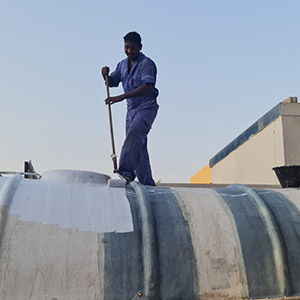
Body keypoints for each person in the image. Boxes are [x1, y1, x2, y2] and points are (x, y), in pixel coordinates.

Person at [101, 32, 159, 186]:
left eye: (133, 48)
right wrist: (105, 76)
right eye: (126, 47)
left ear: (140, 47)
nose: (129, 51)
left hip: (147, 106)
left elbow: (147, 87)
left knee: (133, 136)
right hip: (131, 109)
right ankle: (147, 183)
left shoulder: (147, 64)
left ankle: (125, 172)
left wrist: (120, 97)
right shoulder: (122, 65)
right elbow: (112, 82)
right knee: (138, 145)